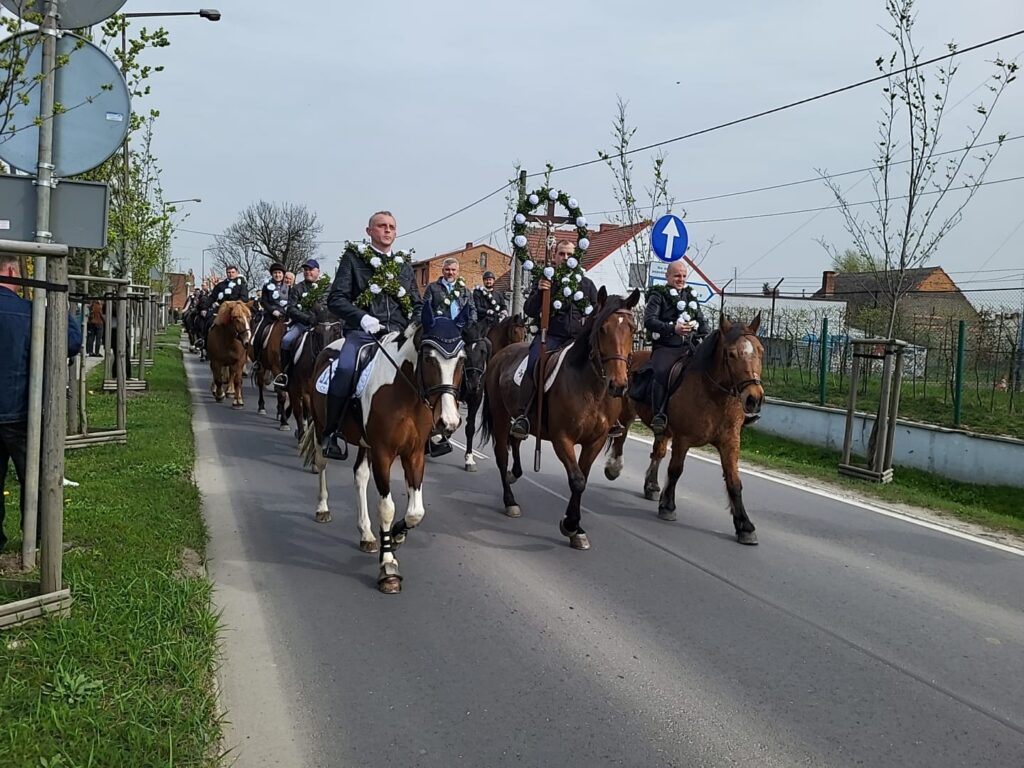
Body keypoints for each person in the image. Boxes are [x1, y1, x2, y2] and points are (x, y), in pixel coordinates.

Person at [321, 210, 423, 460]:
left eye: (391, 227)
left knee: (430, 366)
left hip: (399, 335)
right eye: (381, 226)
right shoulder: (353, 260)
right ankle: (331, 432)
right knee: (344, 368)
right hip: (363, 334)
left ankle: (432, 432)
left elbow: (417, 304)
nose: (387, 230)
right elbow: (336, 299)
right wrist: (362, 317)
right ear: (369, 232)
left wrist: (416, 323)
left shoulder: (404, 266)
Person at [0, 254, 83, 551]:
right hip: (22, 410)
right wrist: (54, 302)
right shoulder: (29, 312)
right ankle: (36, 541)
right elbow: (72, 341)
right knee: (33, 479)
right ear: (13, 271)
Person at [509, 240, 599, 440]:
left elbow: (596, 314)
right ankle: (524, 415)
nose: (565, 258)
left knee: (600, 366)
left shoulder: (587, 284)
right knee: (534, 363)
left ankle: (607, 415)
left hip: (578, 340)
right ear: (554, 256)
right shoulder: (545, 280)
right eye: (561, 254)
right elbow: (530, 310)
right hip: (550, 336)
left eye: (569, 254)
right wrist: (541, 292)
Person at [643, 259, 709, 436]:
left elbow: (701, 321)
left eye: (684, 276)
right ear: (667, 276)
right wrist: (673, 328)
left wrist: (707, 335)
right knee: (663, 371)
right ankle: (659, 414)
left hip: (689, 346)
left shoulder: (690, 295)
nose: (681, 279)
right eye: (677, 275)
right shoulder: (658, 295)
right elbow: (649, 321)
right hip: (666, 346)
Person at [272, 258, 331, 390]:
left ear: (318, 271)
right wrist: (307, 319)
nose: (307, 272)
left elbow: (330, 305)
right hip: (303, 324)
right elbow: (291, 308)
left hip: (324, 325)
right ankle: (285, 374)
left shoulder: (327, 287)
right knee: (286, 340)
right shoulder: (298, 288)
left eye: (310, 269)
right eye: (305, 270)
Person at [252, 262, 289, 367]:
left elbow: (291, 301)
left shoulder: (288, 287)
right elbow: (264, 302)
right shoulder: (267, 286)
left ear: (283, 274)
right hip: (270, 316)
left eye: (279, 273)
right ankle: (258, 359)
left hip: (285, 317)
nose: (277, 275)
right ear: (272, 274)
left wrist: (286, 311)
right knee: (259, 334)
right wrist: (273, 311)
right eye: (275, 273)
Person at [425, 257, 476, 324]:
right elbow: (425, 307)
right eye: (447, 269)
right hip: (440, 326)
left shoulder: (465, 291)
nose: (450, 272)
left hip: (460, 327)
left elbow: (472, 309)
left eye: (453, 270)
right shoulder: (432, 288)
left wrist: (471, 322)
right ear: (442, 271)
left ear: (457, 272)